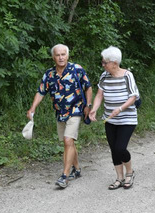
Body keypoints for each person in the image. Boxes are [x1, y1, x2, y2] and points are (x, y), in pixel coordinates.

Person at [27, 44, 93, 188]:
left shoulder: (77, 69)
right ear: (53, 57)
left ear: (67, 56)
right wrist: (33, 107)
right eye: (58, 55)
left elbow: (88, 87)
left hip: (75, 110)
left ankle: (65, 175)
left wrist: (88, 105)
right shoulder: (49, 74)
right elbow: (41, 92)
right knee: (68, 142)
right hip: (59, 112)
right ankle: (77, 169)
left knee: (68, 140)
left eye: (63, 54)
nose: (61, 57)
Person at [89, 46, 139, 190]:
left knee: (120, 148)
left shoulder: (127, 75)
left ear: (115, 63)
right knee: (113, 149)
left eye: (105, 63)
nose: (103, 65)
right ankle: (119, 177)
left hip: (127, 118)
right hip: (110, 119)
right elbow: (100, 94)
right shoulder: (104, 76)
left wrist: (120, 108)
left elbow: (133, 96)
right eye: (103, 62)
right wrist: (94, 109)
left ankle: (129, 172)